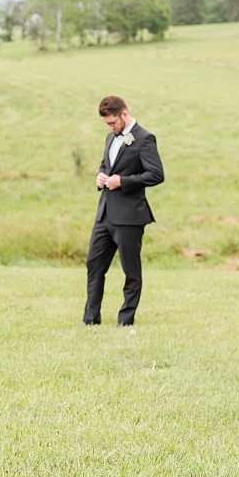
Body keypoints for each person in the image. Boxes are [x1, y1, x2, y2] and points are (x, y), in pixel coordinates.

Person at [83, 95, 164, 327]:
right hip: (105, 213)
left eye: (112, 122)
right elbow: (106, 164)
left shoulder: (145, 139)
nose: (110, 127)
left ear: (124, 114)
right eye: (107, 124)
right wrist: (101, 177)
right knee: (94, 265)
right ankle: (90, 319)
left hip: (129, 216)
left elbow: (156, 174)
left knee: (131, 270)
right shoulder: (110, 137)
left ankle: (125, 320)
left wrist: (123, 181)